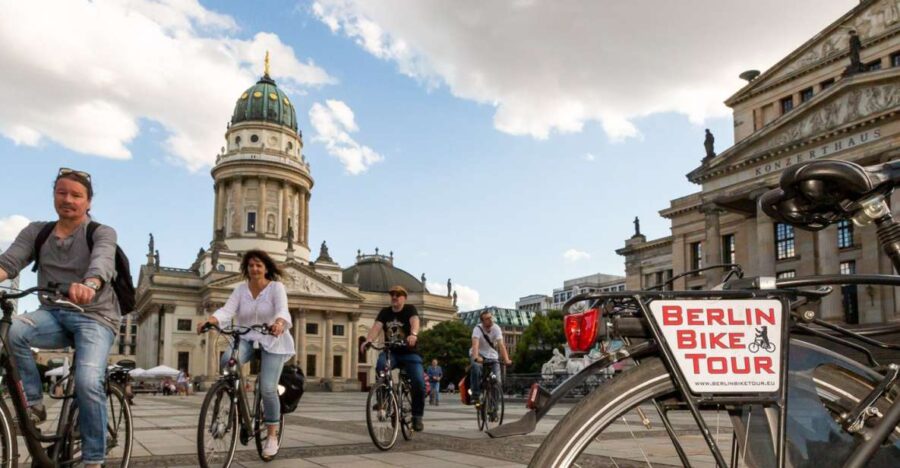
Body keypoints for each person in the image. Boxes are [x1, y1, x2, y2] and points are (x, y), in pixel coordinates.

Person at [0, 168, 119, 468]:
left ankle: (94, 458)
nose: (68, 199)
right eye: (62, 193)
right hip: (53, 312)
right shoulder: (37, 232)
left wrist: (90, 285)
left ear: (88, 202)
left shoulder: (101, 232)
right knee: (14, 332)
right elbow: (10, 262)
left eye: (76, 195)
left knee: (88, 381)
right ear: (54, 195)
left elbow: (103, 262)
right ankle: (34, 403)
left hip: (95, 316)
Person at [198, 249, 293, 458]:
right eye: (251, 265)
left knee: (268, 388)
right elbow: (226, 310)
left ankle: (271, 435)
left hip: (272, 339)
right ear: (246, 269)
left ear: (266, 267)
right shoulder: (241, 290)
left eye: (259, 265)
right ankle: (234, 398)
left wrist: (278, 323)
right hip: (247, 337)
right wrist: (211, 320)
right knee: (227, 361)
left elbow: (282, 310)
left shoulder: (277, 288)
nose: (255, 268)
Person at [360, 285, 426, 431]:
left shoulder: (410, 309)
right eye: (392, 295)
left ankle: (417, 416)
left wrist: (413, 334)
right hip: (392, 352)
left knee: (419, 383)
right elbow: (376, 327)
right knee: (381, 366)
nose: (394, 297)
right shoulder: (385, 312)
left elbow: (415, 322)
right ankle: (383, 402)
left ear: (404, 298)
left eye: (398, 294)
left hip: (410, 353)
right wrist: (368, 340)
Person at [470, 309, 513, 407]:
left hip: (492, 356)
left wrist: (506, 359)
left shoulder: (496, 328)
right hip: (479, 354)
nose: (490, 320)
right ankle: (475, 395)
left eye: (491, 317)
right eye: (487, 319)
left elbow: (501, 345)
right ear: (483, 321)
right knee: (476, 367)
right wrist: (476, 357)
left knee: (497, 381)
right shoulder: (477, 329)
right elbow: (475, 344)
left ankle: (494, 408)